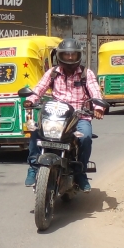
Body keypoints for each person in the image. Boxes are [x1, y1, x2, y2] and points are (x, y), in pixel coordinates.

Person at [24, 38, 105, 192]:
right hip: (55, 115)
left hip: (78, 116)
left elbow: (95, 92)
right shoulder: (53, 72)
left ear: (78, 56)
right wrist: (30, 100)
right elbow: (39, 88)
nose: (69, 58)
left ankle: (80, 173)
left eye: (72, 55)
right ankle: (34, 167)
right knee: (35, 131)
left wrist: (98, 108)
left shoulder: (86, 74)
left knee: (86, 137)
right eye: (66, 55)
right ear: (60, 56)